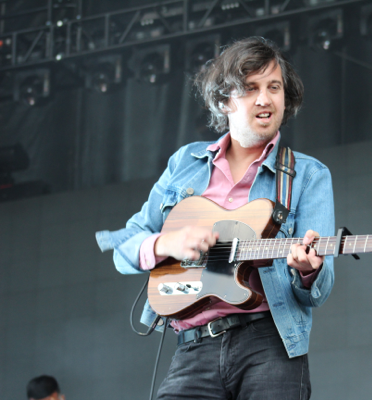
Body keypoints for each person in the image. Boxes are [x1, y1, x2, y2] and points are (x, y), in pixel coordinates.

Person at [95, 37, 335, 399]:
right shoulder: (185, 162)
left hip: (270, 344)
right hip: (192, 347)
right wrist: (166, 243)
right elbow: (123, 246)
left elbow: (320, 288)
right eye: (250, 88)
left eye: (274, 87)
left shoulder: (308, 174)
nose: (265, 99)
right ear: (224, 100)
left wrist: (309, 270)